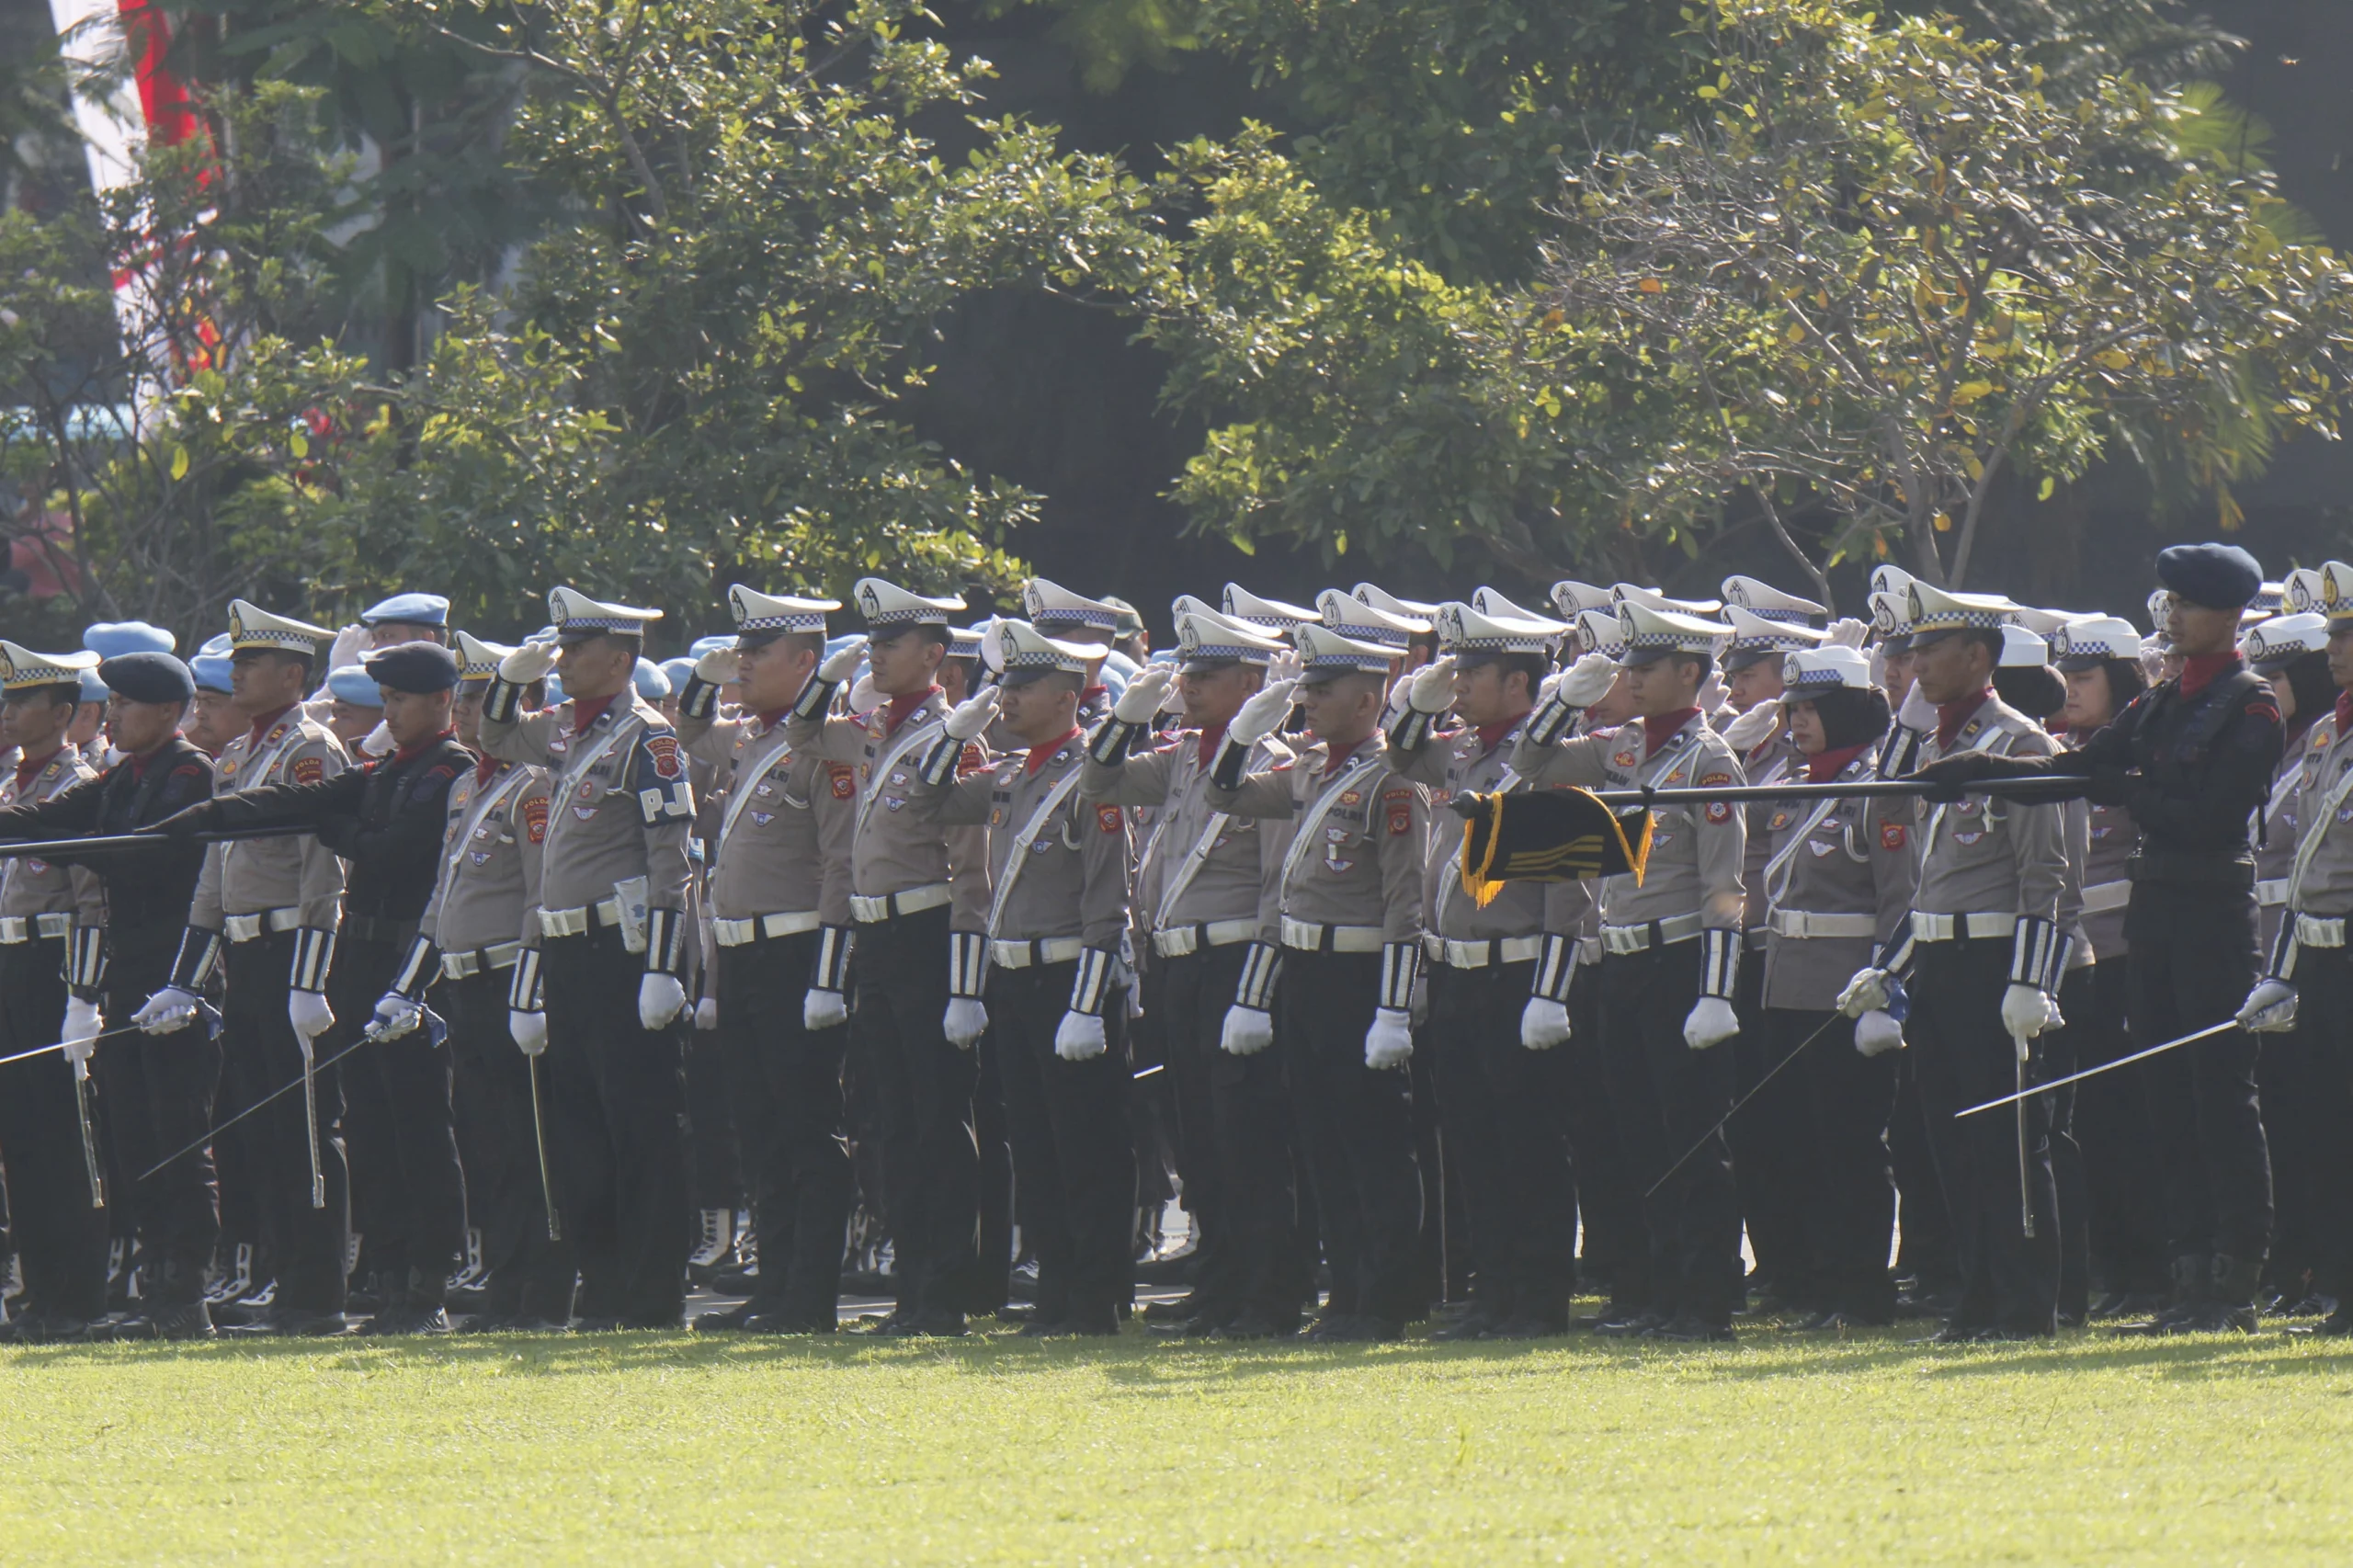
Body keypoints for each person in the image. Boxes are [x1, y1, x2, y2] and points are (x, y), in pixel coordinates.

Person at [1923, 543, 2284, 1334]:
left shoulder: (2250, 703)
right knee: (2166, 1095)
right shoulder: (2157, 703)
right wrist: (1984, 768)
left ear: (2226, 615)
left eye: (2187, 604)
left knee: (2218, 1093)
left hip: (2211, 909)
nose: (2173, 617)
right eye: (2169, 603)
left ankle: (2233, 1280)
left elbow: (2210, 815)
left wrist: (2133, 790)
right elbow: (2084, 767)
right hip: (2155, 909)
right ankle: (2187, 1270)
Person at [160, 642, 474, 1335]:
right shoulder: (390, 769)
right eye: (385, 699)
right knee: (372, 1129)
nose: (387, 712)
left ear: (441, 702)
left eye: (400, 700)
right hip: (361, 959)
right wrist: (209, 818)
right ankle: (387, 1281)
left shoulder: (448, 771)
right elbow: (298, 804)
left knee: (416, 1130)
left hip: (405, 962)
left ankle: (420, 1284)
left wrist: (335, 825)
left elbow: (383, 849)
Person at [1510, 600, 1749, 1342]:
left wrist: (1716, 992)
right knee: (1639, 1140)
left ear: (1690, 673)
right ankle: (1660, 1293)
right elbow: (1531, 765)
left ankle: (1705, 1300)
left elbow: (1726, 890)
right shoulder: (1620, 750)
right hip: (1621, 963)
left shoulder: (1710, 761)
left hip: (1680, 963)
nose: (1633, 681)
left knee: (1691, 1140)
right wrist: (1564, 703)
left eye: (1647, 669)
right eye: (1629, 669)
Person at [905, 619, 1137, 1335]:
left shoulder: (1091, 777)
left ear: (1068, 696)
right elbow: (927, 799)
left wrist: (1090, 1005)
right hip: (1014, 981)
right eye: (1002, 683)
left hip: (1072, 984)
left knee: (1086, 1148)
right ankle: (1056, 1294)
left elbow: (1109, 903)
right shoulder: (1010, 775)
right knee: (1035, 1149)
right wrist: (953, 731)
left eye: (1022, 685)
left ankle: (1095, 1299)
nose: (1004, 696)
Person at [1853, 581, 2071, 1341]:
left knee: (2007, 1140)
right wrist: (1891, 967)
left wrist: (2031, 980)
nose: (1912, 664)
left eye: (1928, 649)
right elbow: (1911, 852)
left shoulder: (2019, 745)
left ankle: (2025, 1300)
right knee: (1951, 1139)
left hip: (1995, 962)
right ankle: (1979, 1291)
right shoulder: (1940, 744)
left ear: (1977, 656)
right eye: (1908, 650)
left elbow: (2047, 877)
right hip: (1942, 960)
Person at [1081, 608, 1304, 1338]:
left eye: (1206, 676)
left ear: (1250, 681)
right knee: (1197, 1138)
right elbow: (1100, 780)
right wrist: (1123, 715)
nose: (1189, 686)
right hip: (1176, 963)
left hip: (1235, 963)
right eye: (1187, 673)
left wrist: (1257, 993)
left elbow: (1277, 890)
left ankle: (1266, 1295)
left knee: (1247, 1139)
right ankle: (1219, 1285)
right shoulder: (1181, 757)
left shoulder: (1270, 763)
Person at [479, 587, 697, 1331]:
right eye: (561, 649)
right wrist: (511, 677)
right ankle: (603, 1291)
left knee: (639, 1128)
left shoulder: (647, 738)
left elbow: (672, 860)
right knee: (580, 1133)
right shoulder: (572, 735)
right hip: (569, 948)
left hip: (623, 951)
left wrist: (664, 967)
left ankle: (652, 1295)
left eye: (576, 650)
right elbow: (496, 735)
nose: (564, 662)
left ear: (621, 658)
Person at [1206, 622, 1429, 1341]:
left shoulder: (1390, 778)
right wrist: (1243, 734)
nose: (1307, 701)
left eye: (1322, 690)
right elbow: (1225, 796)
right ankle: (1345, 1295)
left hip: (1361, 976)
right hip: (1305, 972)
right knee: (1322, 1143)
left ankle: (1385, 1298)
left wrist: (1393, 1011)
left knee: (1373, 1144)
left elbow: (1406, 906)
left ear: (1368, 700)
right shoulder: (1308, 769)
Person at [134, 601, 353, 1336]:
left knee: (306, 1125)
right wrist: (184, 979)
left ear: (293, 675)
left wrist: (310, 981)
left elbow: (325, 877)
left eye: (252, 662)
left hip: (293, 950)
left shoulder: (310, 751)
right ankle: (287, 1280)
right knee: (263, 1130)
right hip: (247, 951)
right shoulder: (240, 755)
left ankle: (317, 1294)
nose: (237, 673)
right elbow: (213, 886)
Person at [783, 579, 992, 1337]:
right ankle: (911, 1287)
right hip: (876, 940)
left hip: (929, 939)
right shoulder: (872, 729)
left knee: (936, 1119)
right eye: (871, 640)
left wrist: (965, 988)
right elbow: (804, 736)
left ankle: (943, 1295)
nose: (874, 652)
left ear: (934, 656)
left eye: (890, 642)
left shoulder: (957, 738)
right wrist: (827, 680)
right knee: (889, 1122)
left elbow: (972, 876)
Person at [1384, 598, 1583, 1338]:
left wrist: (1551, 993)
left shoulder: (1550, 761)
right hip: (1459, 974)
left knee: (1528, 1145)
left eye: (1473, 671)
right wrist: (1417, 700)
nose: (1459, 683)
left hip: (1519, 972)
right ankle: (1493, 1290)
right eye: (1457, 669)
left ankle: (1537, 1298)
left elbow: (1571, 886)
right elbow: (1402, 754)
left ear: (1518, 683)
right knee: (1473, 1143)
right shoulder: (1464, 753)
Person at [675, 586, 858, 1335]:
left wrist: (828, 974)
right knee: (757, 1126)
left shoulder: (828, 745)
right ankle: (773, 1283)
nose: (742, 663)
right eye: (740, 650)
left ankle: (809, 1295)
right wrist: (705, 678)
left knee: (805, 1127)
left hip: (797, 952)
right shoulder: (749, 737)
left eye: (757, 652)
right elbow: (688, 731)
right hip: (744, 956)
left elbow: (843, 865)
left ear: (806, 662)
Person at [1757, 647, 1915, 1327]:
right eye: (1791, 709)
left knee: (1851, 1147)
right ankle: (1821, 1284)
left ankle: (1862, 1290)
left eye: (1810, 709)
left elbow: (1901, 901)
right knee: (1800, 1146)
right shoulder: (1798, 783)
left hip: (1848, 994)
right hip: (1787, 986)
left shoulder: (1875, 788)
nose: (1796, 721)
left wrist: (1886, 990)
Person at [2239, 564, 2353, 1335]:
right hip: (2315, 952)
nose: (2338, 648)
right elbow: (2304, 863)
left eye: (2349, 634)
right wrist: (2280, 972)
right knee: (2324, 1128)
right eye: (2336, 635)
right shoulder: (2324, 731)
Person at [2046, 615, 2165, 1320]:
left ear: (2121, 681)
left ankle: (2148, 1270)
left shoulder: (2144, 752)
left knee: (2130, 1123)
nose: (2069, 691)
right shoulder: (2064, 751)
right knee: (2084, 1123)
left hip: (2125, 953)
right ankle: (2109, 1265)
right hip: (2069, 959)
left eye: (2083, 678)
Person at [0, 643, 108, 1341]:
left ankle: (77, 1293)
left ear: (62, 713)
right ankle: (39, 1290)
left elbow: (91, 903)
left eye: (20, 701)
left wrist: (85, 995)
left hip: (53, 968)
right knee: (21, 1138)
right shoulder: (12, 785)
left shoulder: (78, 787)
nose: (7, 713)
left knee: (64, 1137)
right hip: (9, 964)